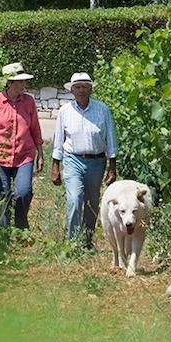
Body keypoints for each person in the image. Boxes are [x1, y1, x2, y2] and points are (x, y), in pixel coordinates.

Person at [51, 71, 117, 248]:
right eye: (78, 87)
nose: (81, 91)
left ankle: (87, 239)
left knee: (92, 201)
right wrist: (55, 166)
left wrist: (112, 166)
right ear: (72, 90)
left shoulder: (102, 109)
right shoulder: (65, 111)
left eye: (85, 87)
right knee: (75, 198)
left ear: (90, 90)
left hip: (97, 162)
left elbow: (110, 138)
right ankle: (72, 242)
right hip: (73, 160)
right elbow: (58, 140)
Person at [0, 62, 44, 230]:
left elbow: (35, 128)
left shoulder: (29, 102)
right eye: (20, 81)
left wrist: (40, 153)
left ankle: (21, 227)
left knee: (24, 192)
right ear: (10, 83)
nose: (24, 84)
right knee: (2, 194)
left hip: (25, 156)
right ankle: (3, 231)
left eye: (24, 81)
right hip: (0, 156)